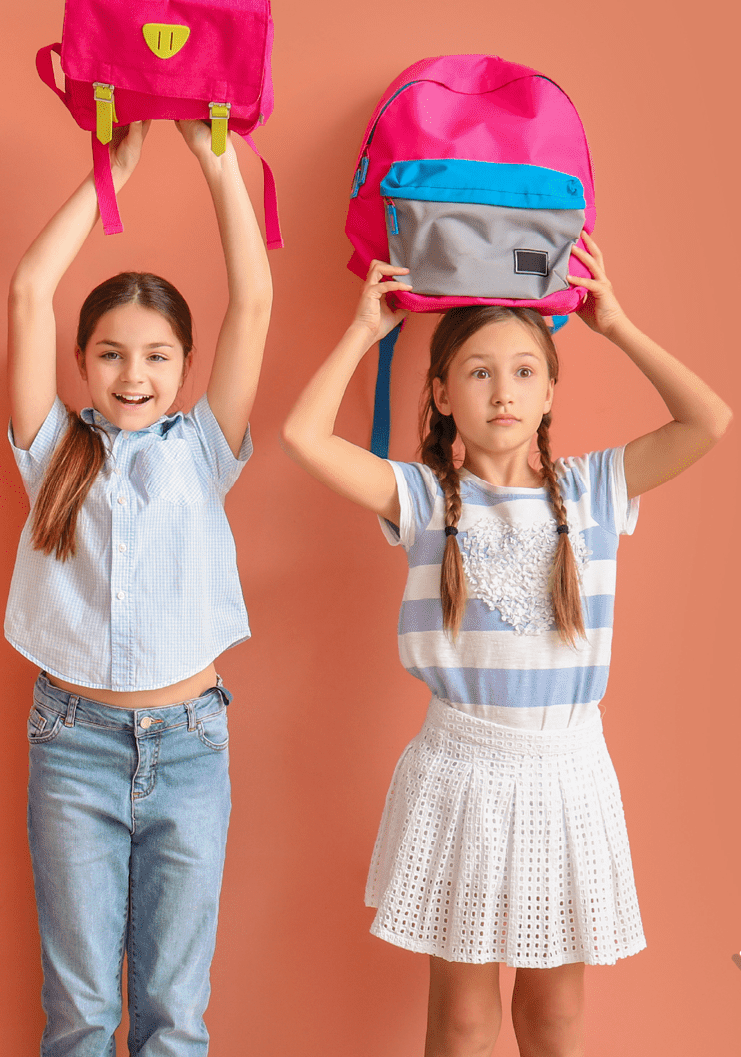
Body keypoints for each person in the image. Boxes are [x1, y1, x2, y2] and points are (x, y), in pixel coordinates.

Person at [280, 239, 729, 1056]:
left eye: (524, 371)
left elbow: (710, 419)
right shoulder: (420, 497)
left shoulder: (596, 489)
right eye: (479, 372)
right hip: (463, 774)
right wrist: (360, 334)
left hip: (567, 772)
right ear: (443, 393)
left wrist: (618, 326)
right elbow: (304, 438)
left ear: (552, 390)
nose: (503, 391)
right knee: (461, 1017)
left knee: (554, 1014)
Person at [5, 119, 272, 1056]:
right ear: (83, 363)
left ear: (186, 369)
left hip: (192, 745)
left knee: (175, 1016)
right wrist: (105, 177)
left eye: (158, 354)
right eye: (112, 352)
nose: (134, 373)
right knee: (80, 1014)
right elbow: (31, 290)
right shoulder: (53, 452)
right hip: (72, 743)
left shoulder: (202, 451)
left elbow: (254, 302)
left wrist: (216, 162)